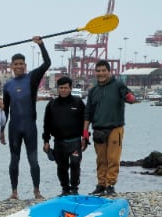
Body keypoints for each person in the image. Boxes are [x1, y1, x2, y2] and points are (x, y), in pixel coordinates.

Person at [0, 37, 51, 199]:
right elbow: (5, 110)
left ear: (25, 65)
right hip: (14, 128)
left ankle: (37, 191)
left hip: (30, 127)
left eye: (21, 63)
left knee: (33, 160)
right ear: (12, 66)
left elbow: (47, 63)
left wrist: (41, 44)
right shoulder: (8, 86)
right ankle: (14, 193)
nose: (19, 66)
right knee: (14, 161)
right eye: (16, 64)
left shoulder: (32, 78)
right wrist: (2, 130)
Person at [85, 59, 136, 195]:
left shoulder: (118, 85)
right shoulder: (93, 91)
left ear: (109, 72)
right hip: (98, 130)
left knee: (113, 158)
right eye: (98, 71)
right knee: (101, 159)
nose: (101, 73)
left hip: (115, 128)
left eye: (103, 71)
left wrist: (131, 98)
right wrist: (85, 132)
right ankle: (101, 184)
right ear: (95, 72)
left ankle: (110, 185)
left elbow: (130, 98)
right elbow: (88, 113)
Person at [42, 76, 87, 196]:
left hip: (75, 141)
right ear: (58, 89)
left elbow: (86, 121)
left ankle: (74, 188)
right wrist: (46, 141)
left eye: (66, 88)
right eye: (61, 88)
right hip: (59, 142)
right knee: (62, 167)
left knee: (75, 163)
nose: (63, 90)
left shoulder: (78, 102)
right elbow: (46, 124)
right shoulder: (52, 104)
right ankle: (65, 189)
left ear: (70, 88)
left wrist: (85, 138)